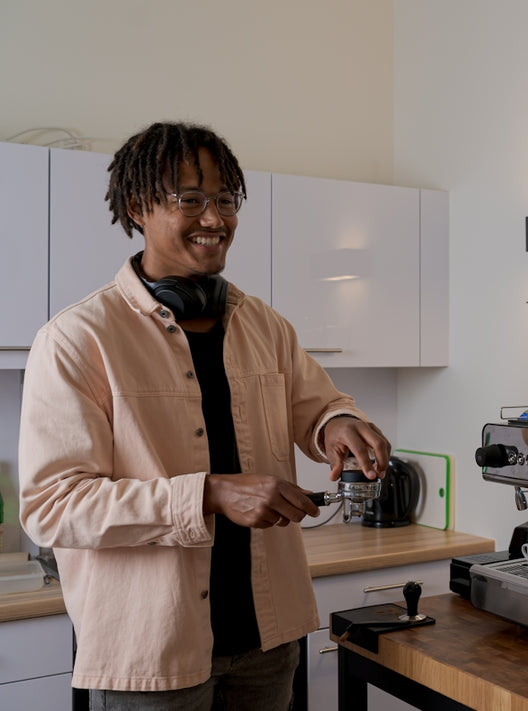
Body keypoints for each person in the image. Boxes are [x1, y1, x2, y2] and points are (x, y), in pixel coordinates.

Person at [18, 122, 392, 710]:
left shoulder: (265, 325)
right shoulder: (76, 339)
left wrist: (337, 424)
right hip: (151, 652)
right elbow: (52, 506)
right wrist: (209, 495)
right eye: (190, 200)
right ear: (138, 207)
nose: (214, 219)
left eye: (225, 200)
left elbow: (318, 406)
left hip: (268, 638)